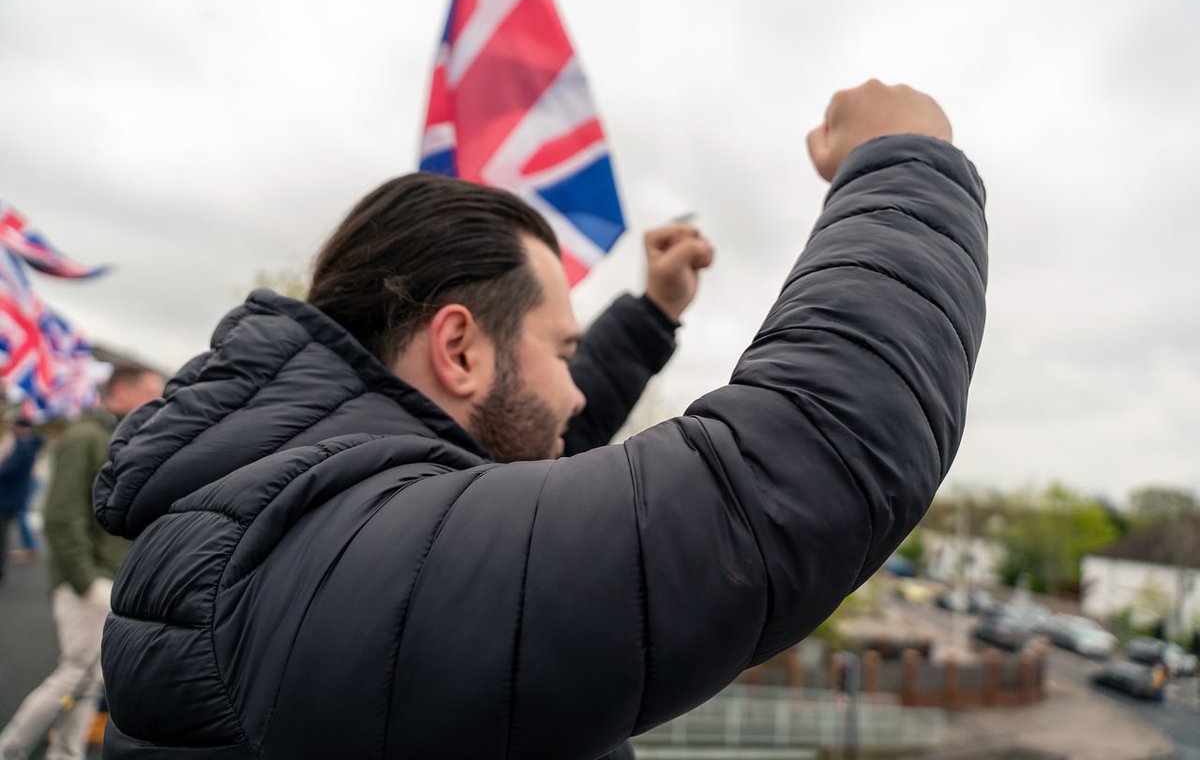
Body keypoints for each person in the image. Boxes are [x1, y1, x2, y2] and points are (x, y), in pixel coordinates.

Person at [93, 80, 988, 759]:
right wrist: (905, 164)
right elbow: (795, 472)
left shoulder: (303, 521)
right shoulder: (334, 561)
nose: (575, 392)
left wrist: (651, 314)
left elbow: (515, 476)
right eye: (562, 352)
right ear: (460, 350)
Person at [0, 366, 164, 760]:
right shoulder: (85, 437)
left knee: (90, 680)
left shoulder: (114, 439)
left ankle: (66, 754)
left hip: (105, 577)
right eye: (150, 391)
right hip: (90, 580)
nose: (158, 401)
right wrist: (86, 581)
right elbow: (61, 515)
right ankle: (11, 748)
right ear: (121, 392)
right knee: (76, 673)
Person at [0, 416, 45, 584]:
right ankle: (30, 547)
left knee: (3, 533)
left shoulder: (24, 448)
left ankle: (30, 548)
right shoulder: (30, 445)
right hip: (16, 494)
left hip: (9, 496)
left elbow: (8, 471)